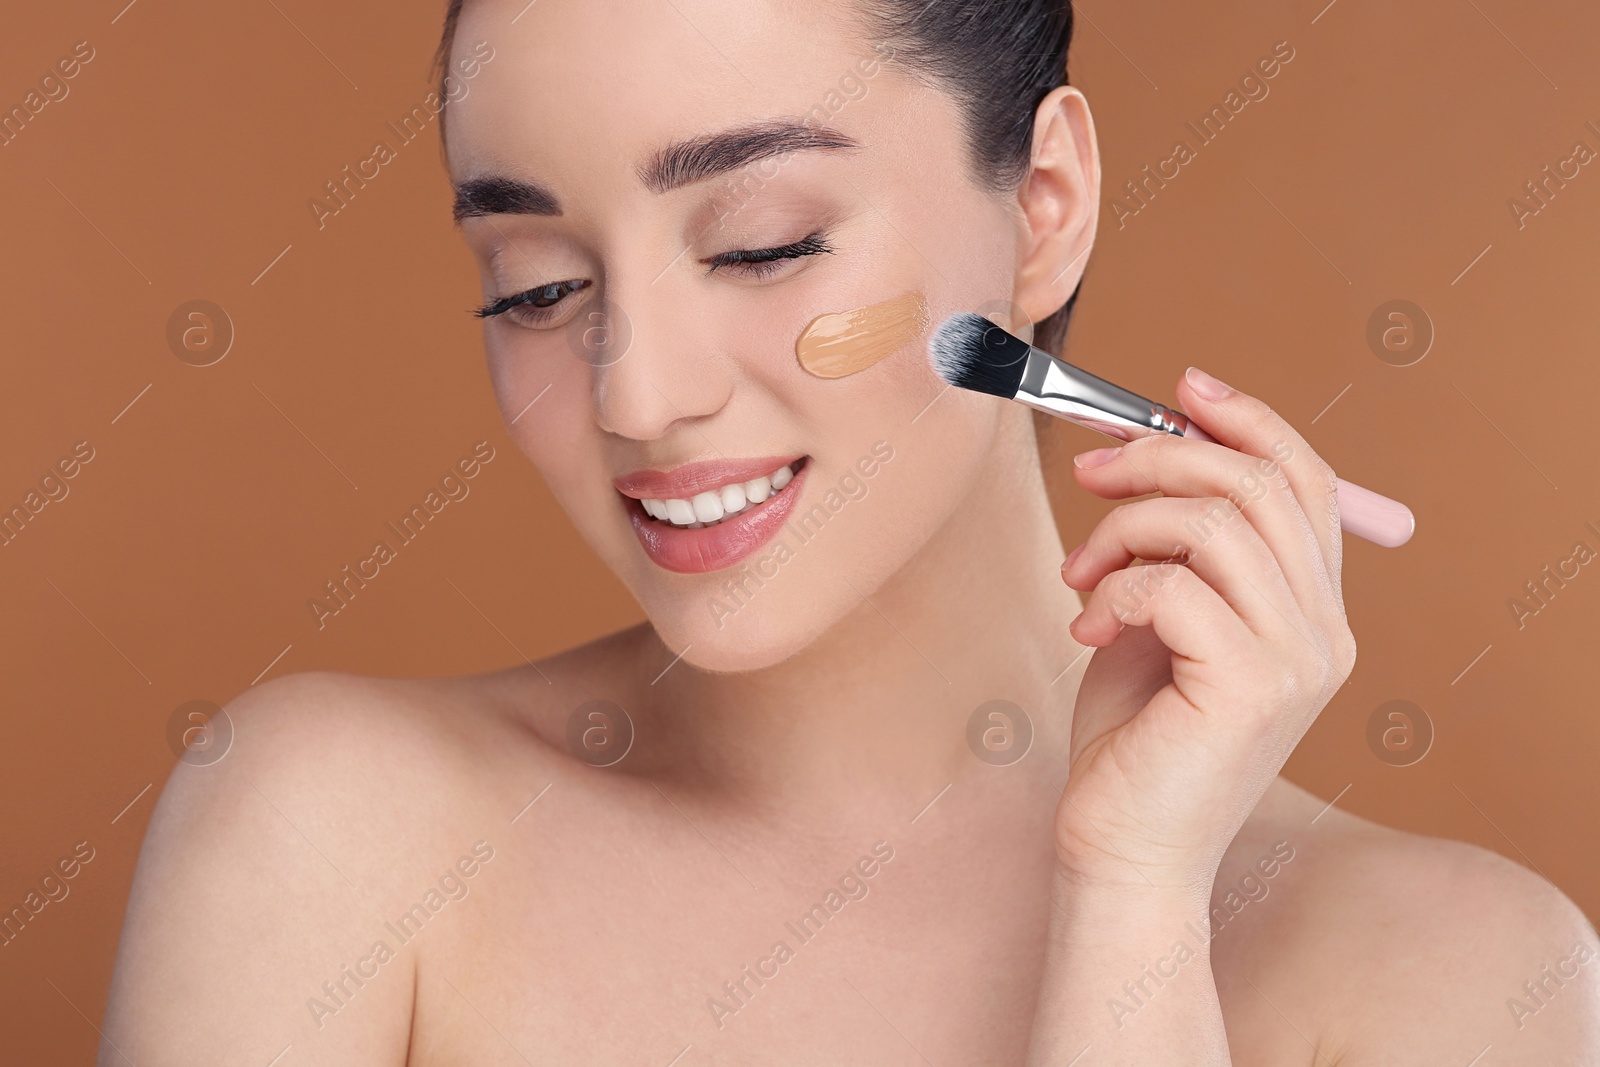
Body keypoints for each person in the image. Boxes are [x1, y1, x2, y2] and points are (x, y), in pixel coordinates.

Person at [102, 0, 1598, 1062]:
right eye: (539, 284)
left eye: (761, 244)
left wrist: (1130, 914)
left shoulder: (1465, 979)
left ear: (1046, 207)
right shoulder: (322, 844)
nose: (637, 392)